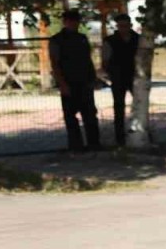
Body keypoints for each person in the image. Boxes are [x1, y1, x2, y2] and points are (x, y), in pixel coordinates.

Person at [48, 10, 101, 151]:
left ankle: (94, 144)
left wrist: (93, 78)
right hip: (68, 82)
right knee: (70, 117)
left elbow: (88, 60)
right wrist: (62, 83)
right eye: (70, 21)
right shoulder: (56, 40)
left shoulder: (82, 38)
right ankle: (76, 145)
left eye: (75, 21)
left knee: (90, 115)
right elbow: (54, 63)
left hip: (85, 81)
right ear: (65, 22)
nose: (73, 24)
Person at [101, 14, 140, 146]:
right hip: (117, 77)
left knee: (139, 104)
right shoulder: (110, 40)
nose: (123, 28)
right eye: (120, 26)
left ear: (130, 25)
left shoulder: (138, 39)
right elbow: (105, 60)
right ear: (117, 26)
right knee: (119, 107)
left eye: (126, 25)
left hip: (135, 77)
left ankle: (140, 131)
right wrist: (109, 74)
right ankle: (119, 137)